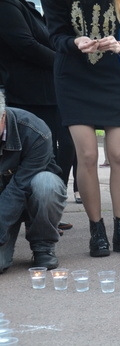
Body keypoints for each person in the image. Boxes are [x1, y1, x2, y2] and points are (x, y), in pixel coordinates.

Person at [42, 0, 120, 257]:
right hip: (73, 80)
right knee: (88, 155)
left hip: (114, 80)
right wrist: (75, 42)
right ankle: (96, 230)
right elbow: (56, 37)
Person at [0, 0, 76, 231]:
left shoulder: (30, 6)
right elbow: (25, 45)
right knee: (44, 156)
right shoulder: (8, 5)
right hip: (28, 95)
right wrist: (64, 63)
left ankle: (50, 210)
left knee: (65, 149)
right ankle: (38, 216)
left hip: (51, 92)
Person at [0, 92, 66, 272]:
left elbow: (20, 187)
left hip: (31, 193)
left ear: (3, 116)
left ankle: (43, 247)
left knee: (46, 184)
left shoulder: (35, 130)